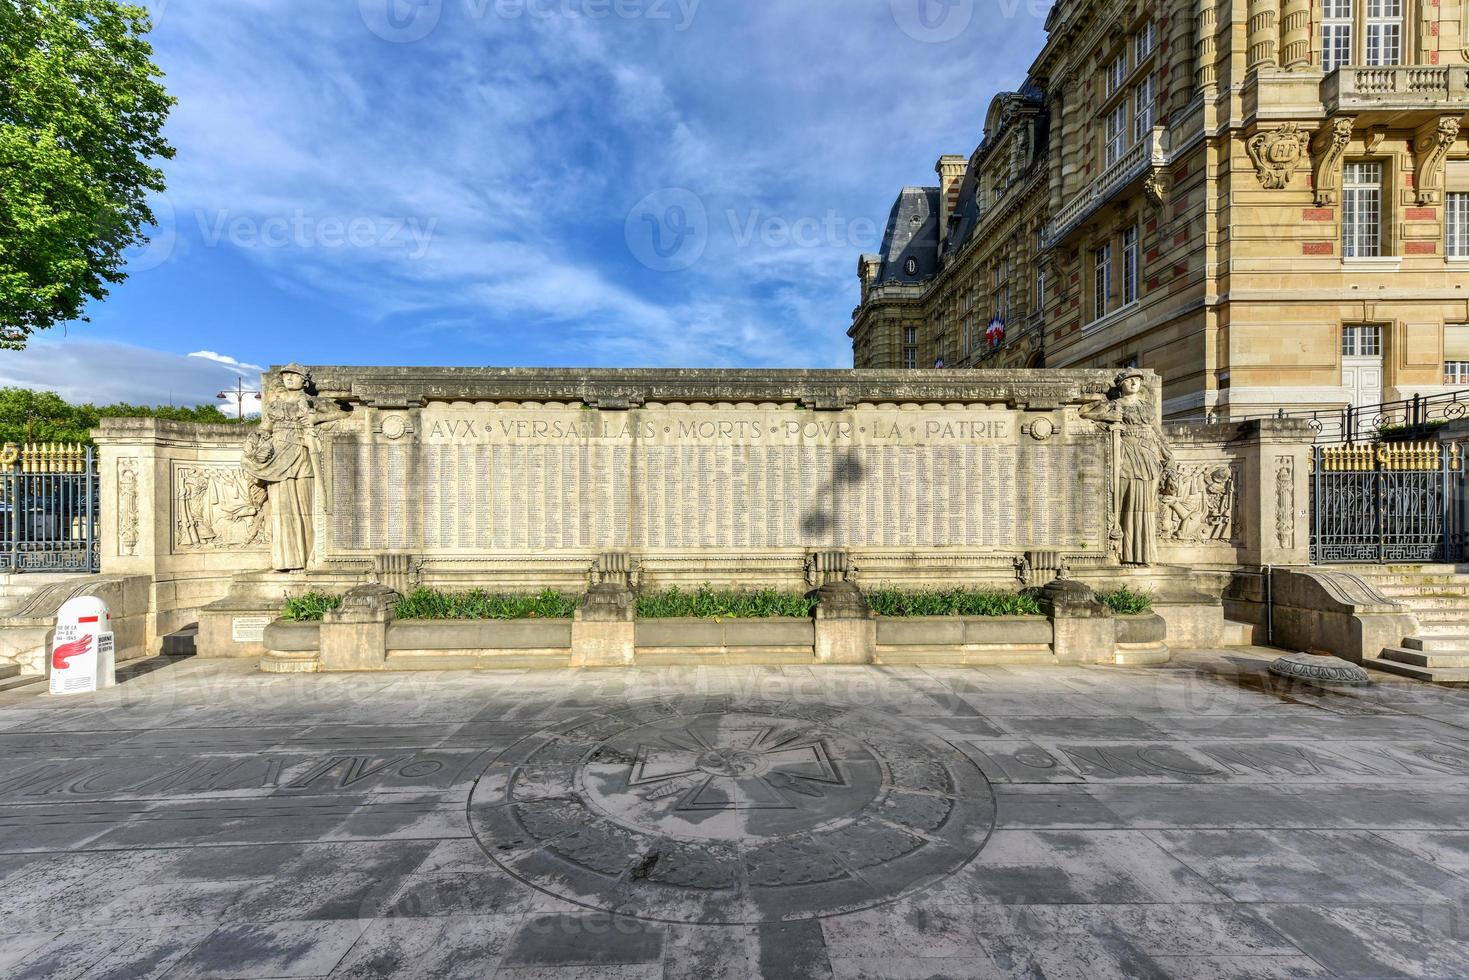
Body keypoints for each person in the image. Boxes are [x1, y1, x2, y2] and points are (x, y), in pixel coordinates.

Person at [1080, 369, 1173, 565]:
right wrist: (1107, 419)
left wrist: (1168, 457)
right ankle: (1125, 552)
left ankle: (1145, 554)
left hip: (1149, 456)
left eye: (1137, 380)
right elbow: (1084, 413)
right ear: (1121, 384)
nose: (1133, 383)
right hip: (1128, 454)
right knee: (1126, 502)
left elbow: (1157, 432)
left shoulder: (1147, 407)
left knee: (1147, 506)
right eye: (1129, 380)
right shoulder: (1115, 405)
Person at [241, 364, 325, 571]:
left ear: (303, 380)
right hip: (277, 458)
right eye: (285, 375)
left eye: (293, 375)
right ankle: (287, 561)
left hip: (302, 456)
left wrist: (318, 418)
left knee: (306, 510)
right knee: (282, 512)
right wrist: (256, 444)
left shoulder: (312, 402)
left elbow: (345, 414)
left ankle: (309, 559)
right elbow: (264, 429)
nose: (288, 378)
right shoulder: (275, 404)